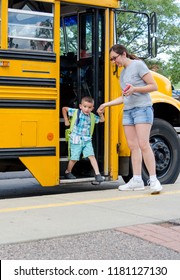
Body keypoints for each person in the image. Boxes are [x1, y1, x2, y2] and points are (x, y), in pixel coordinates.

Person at [97, 44, 163, 194]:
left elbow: (153, 86)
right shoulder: (123, 74)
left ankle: (154, 180)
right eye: (111, 60)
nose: (114, 62)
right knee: (133, 146)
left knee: (143, 144)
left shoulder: (138, 65)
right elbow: (124, 96)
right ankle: (137, 180)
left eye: (114, 58)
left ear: (123, 54)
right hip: (128, 111)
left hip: (142, 109)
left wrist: (135, 89)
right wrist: (106, 104)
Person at [62, 96, 105, 182]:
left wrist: (101, 114)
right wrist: (66, 120)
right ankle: (68, 171)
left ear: (92, 108)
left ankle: (97, 174)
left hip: (87, 140)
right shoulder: (76, 112)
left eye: (89, 107)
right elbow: (64, 109)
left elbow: (101, 120)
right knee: (74, 158)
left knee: (91, 156)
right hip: (76, 139)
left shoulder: (92, 116)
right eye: (85, 106)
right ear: (80, 106)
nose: (87, 109)